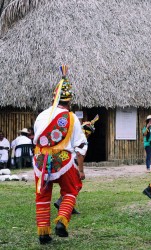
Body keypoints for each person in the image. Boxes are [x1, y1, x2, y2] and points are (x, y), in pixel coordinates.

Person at [33, 65, 86, 244]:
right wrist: (81, 168)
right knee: (71, 190)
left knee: (42, 195)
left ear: (54, 99)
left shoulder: (41, 115)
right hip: (63, 161)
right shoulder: (72, 118)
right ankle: (62, 220)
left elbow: (37, 140)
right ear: (69, 102)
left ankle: (43, 234)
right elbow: (80, 146)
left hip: (40, 161)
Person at [54, 115, 99, 215]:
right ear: (87, 133)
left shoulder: (72, 136)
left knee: (69, 185)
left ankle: (69, 205)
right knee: (76, 185)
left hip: (64, 162)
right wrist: (81, 171)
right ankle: (62, 202)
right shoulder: (82, 140)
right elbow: (79, 154)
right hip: (72, 164)